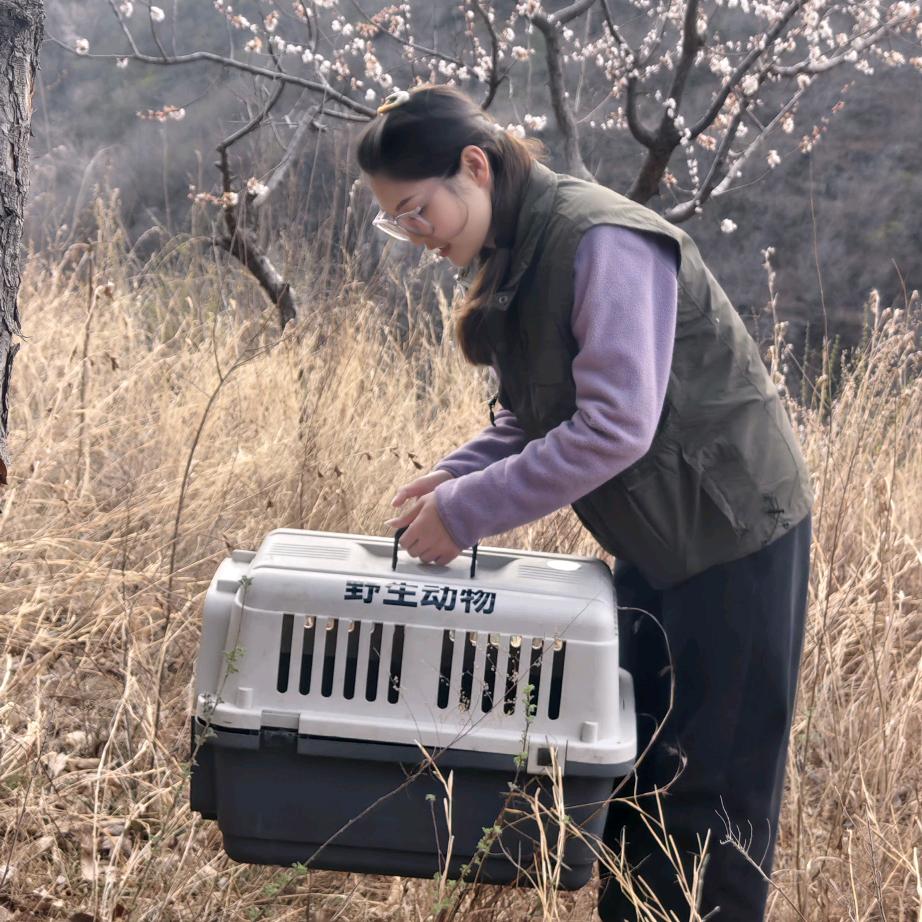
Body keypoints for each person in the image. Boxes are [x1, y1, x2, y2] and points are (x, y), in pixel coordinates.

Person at [354, 83, 812, 921]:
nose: (415, 236)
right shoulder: (519, 250)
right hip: (656, 538)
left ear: (474, 167)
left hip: (734, 532)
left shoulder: (600, 238)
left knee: (710, 795)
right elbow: (539, 417)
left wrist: (465, 512)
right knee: (639, 772)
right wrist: (455, 478)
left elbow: (614, 427)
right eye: (397, 221)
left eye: (417, 211)